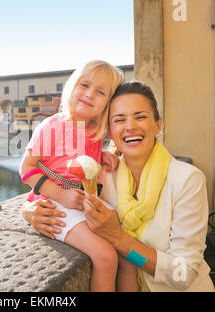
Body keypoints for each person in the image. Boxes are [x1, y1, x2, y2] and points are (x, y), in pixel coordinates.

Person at [22, 80, 215, 292]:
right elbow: (58, 186)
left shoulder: (187, 180)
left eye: (141, 117)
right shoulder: (102, 175)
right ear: (110, 131)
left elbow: (183, 274)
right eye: (119, 120)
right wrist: (30, 211)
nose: (130, 126)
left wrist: (118, 239)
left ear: (158, 125)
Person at [19, 60, 138, 292]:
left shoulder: (94, 131)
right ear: (72, 86)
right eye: (84, 85)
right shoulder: (52, 126)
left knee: (129, 258)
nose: (90, 94)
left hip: (79, 203)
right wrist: (59, 194)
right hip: (56, 203)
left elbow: (78, 158)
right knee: (105, 257)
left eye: (101, 92)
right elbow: (27, 168)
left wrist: (101, 155)